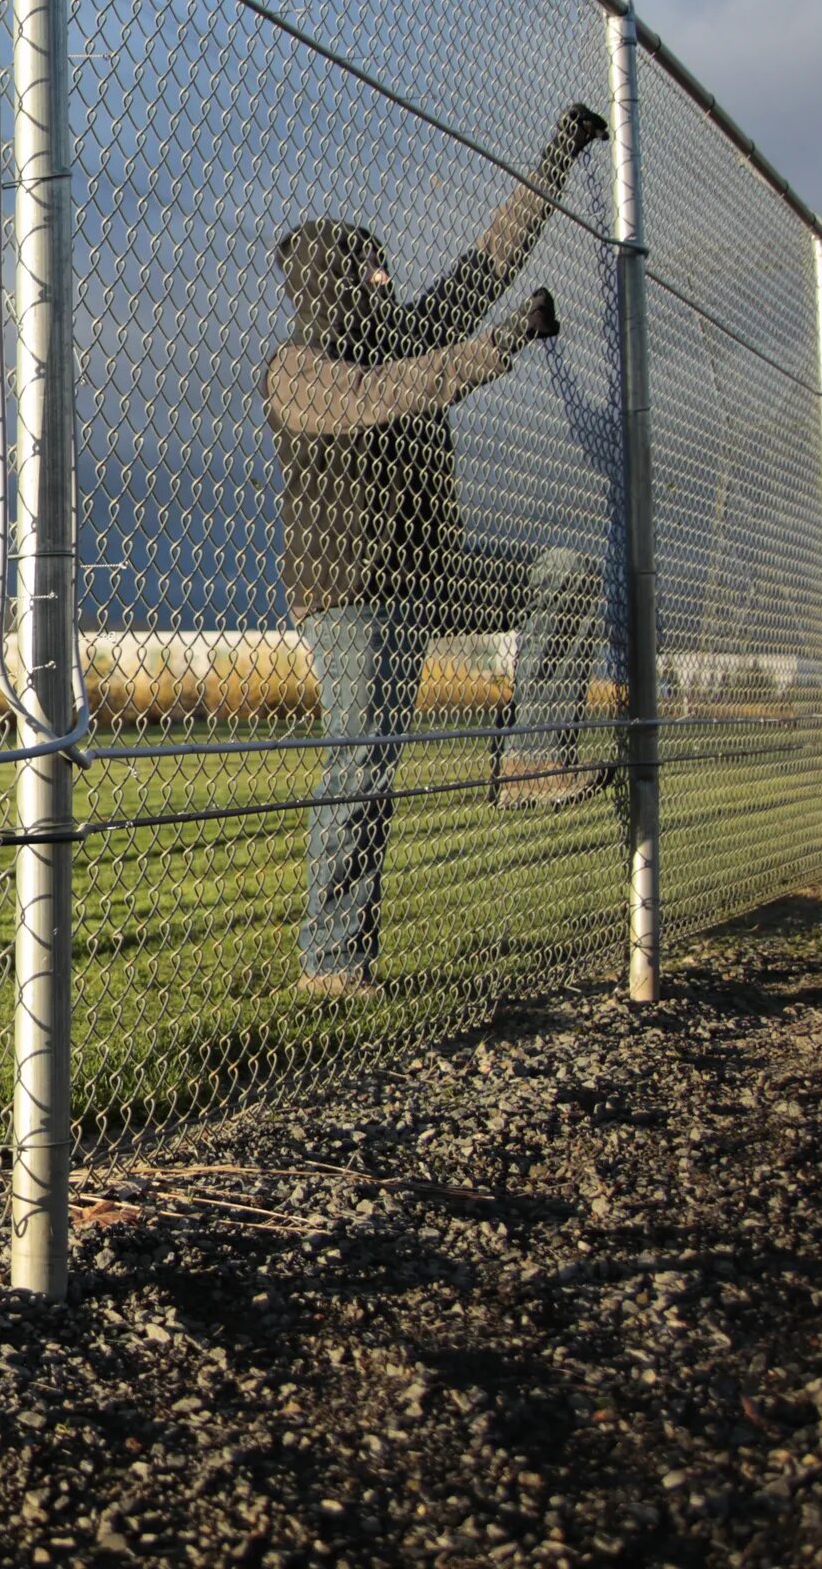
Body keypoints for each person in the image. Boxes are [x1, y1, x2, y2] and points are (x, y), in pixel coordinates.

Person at [262, 103, 612, 996]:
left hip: (432, 574)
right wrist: (497, 347)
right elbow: (385, 396)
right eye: (368, 265)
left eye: (384, 263)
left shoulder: (403, 335)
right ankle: (333, 963)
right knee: (364, 763)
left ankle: (533, 759)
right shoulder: (297, 369)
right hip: (354, 593)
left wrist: (557, 155)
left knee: (562, 577)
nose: (386, 276)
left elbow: (488, 261)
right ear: (331, 280)